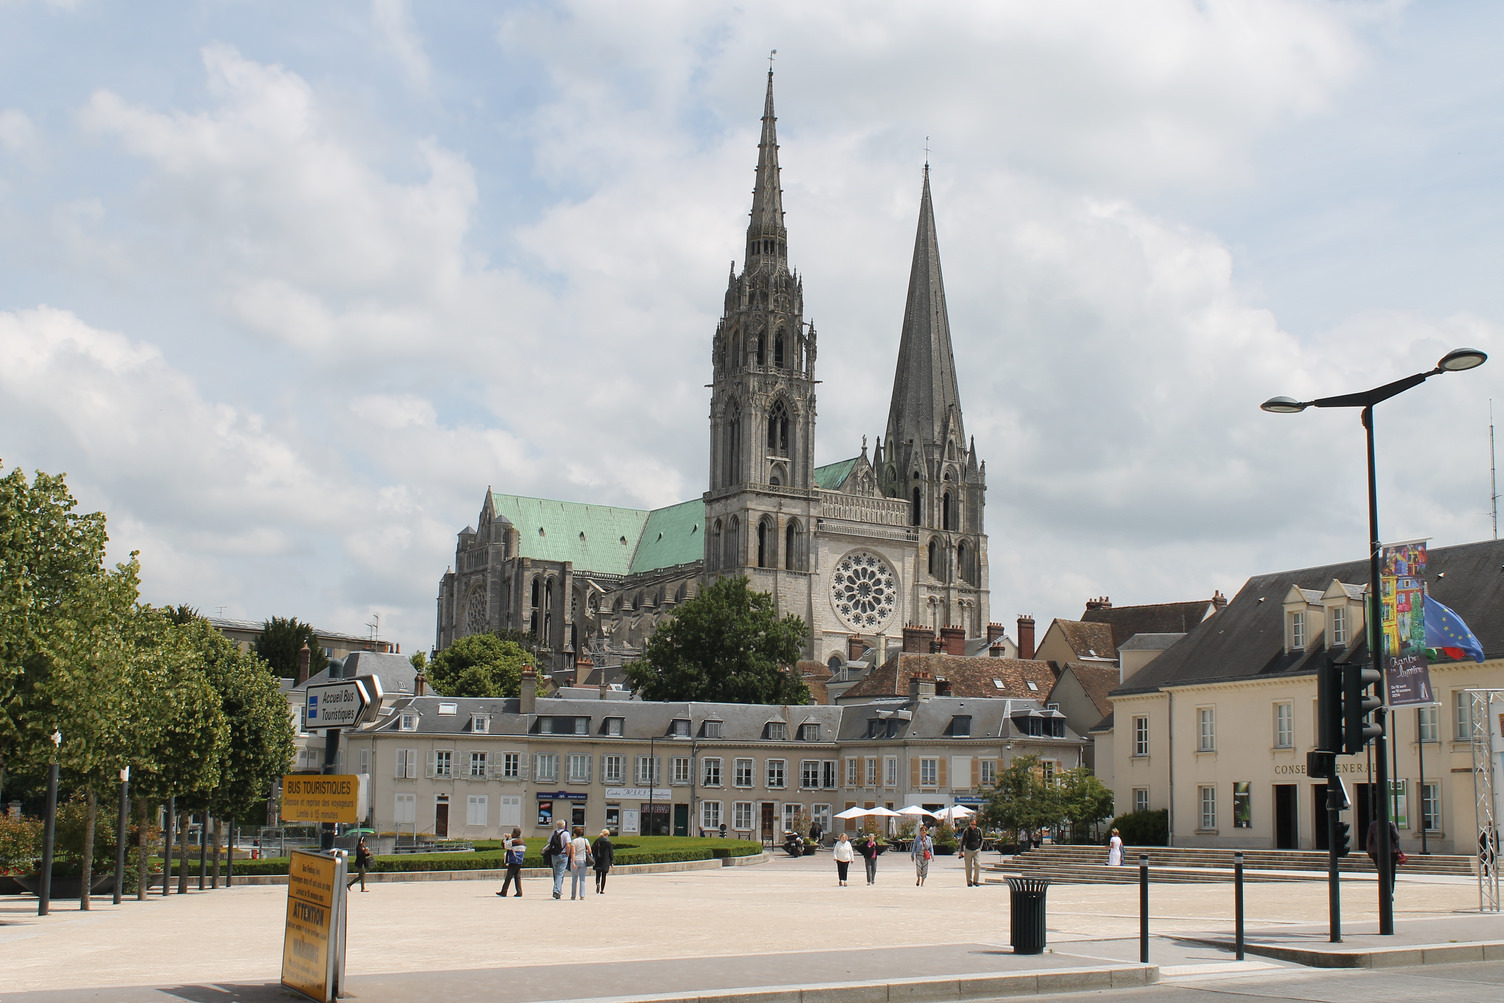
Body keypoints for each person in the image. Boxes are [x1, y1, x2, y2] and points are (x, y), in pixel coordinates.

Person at [1367, 818, 1402, 892]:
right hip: (1391, 851)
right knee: (1391, 872)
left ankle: (1384, 890)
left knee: (1381, 872)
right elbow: (1397, 837)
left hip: (1376, 851)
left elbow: (1369, 839)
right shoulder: (1390, 824)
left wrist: (1369, 851)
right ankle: (1390, 890)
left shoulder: (1373, 824)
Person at [544, 819, 570, 899]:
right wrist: (568, 854)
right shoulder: (566, 834)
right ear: (564, 825)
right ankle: (556, 890)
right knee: (560, 874)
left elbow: (549, 843)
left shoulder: (553, 833)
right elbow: (568, 845)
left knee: (556, 873)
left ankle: (558, 889)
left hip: (554, 855)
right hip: (563, 855)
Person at [497, 827, 525, 897]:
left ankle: (504, 891)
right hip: (519, 861)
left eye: (513, 833)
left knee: (508, 876)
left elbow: (504, 845)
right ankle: (519, 892)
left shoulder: (513, 842)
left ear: (515, 834)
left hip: (513, 860)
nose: (512, 834)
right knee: (517, 876)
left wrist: (505, 838)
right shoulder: (522, 841)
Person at [567, 825, 592, 900]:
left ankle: (573, 895)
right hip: (583, 861)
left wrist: (573, 862)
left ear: (575, 834)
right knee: (582, 879)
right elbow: (590, 851)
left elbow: (573, 852)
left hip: (576, 860)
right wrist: (585, 851)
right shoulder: (585, 840)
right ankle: (582, 895)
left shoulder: (574, 841)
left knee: (574, 879)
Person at [958, 818, 984, 886]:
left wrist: (980, 848)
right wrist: (961, 851)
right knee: (968, 867)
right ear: (970, 824)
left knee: (978, 865)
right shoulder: (966, 831)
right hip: (968, 850)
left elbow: (981, 839)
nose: (973, 826)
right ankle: (969, 881)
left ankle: (976, 881)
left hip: (976, 850)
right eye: (972, 824)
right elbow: (962, 841)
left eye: (974, 824)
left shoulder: (978, 830)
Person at [591, 828, 615, 894]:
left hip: (598, 859)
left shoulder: (597, 840)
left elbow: (592, 849)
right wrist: (611, 861)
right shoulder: (608, 842)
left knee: (598, 873)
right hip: (605, 860)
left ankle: (597, 883)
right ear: (607, 834)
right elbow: (611, 853)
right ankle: (602, 889)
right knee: (604, 875)